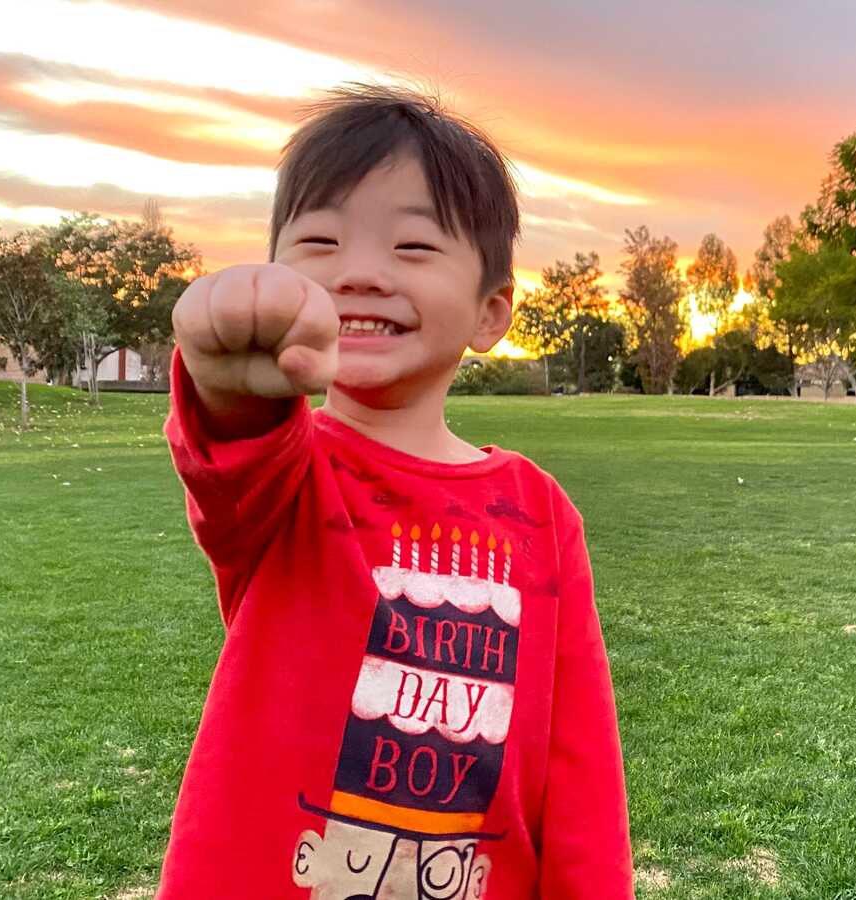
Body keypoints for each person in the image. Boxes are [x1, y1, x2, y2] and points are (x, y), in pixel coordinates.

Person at [157, 84, 633, 899]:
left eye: (413, 247)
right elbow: (228, 448)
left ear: (491, 313)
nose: (361, 273)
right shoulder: (284, 473)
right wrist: (229, 371)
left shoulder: (541, 511)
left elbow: (580, 765)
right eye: (319, 239)